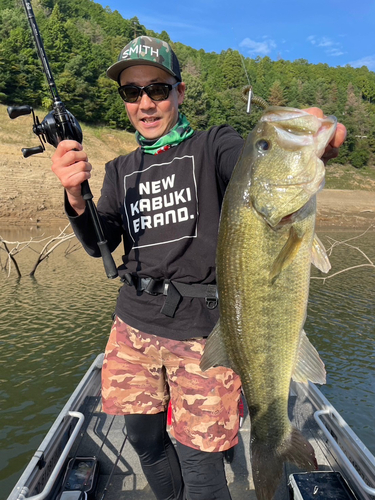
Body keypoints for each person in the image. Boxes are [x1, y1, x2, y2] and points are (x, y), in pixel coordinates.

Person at [51, 36, 347, 500]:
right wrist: (74, 196)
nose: (145, 103)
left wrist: (314, 144)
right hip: (133, 326)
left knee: (199, 460)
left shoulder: (216, 145)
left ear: (180, 92)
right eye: (132, 93)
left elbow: (256, 166)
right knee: (143, 440)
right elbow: (101, 242)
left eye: (158, 89)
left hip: (204, 333)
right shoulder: (120, 169)